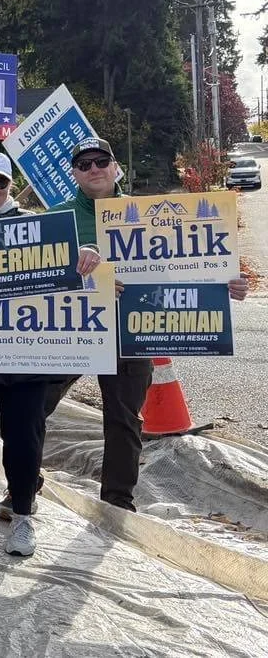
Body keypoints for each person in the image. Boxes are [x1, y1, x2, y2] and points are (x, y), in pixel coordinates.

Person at [43, 138, 250, 513]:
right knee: (33, 405)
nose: (93, 169)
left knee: (123, 420)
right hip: (70, 329)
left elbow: (187, 264)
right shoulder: (55, 217)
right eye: (84, 163)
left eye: (101, 161)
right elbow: (33, 271)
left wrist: (226, 284)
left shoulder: (148, 213)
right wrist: (78, 260)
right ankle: (23, 483)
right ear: (74, 172)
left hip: (129, 332)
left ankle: (117, 504)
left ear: (115, 166)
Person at [0, 151, 101, 556]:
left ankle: (24, 515)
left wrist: (89, 253)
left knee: (25, 436)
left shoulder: (38, 225)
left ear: (10, 186)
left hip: (26, 353)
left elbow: (73, 270)